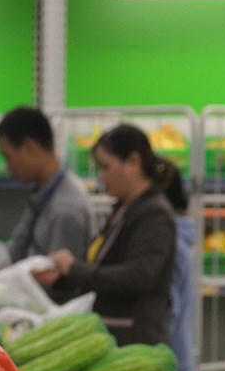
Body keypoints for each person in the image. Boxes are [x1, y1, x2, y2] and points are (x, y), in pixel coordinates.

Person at [35, 124, 178, 346]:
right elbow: (104, 264)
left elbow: (139, 276)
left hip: (134, 341)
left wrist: (74, 269)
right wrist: (62, 277)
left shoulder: (154, 214)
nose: (101, 177)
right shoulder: (124, 209)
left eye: (105, 167)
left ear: (133, 162)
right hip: (112, 335)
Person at [0, 107, 93, 288]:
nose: (8, 167)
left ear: (29, 148)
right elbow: (17, 248)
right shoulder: (43, 193)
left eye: (8, 157)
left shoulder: (66, 209)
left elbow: (54, 281)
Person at [167, 182, 199, 371]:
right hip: (180, 359)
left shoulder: (172, 247)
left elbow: (169, 311)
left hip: (171, 365)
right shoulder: (180, 240)